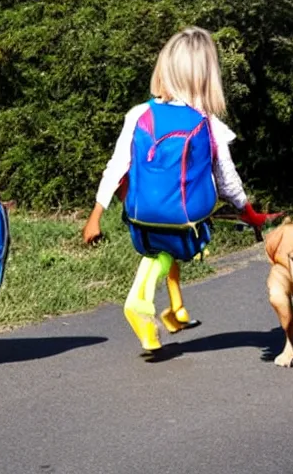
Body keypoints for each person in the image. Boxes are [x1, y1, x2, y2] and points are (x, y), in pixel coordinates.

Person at [82, 26, 281, 352]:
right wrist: (250, 213)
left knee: (157, 249)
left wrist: (96, 216)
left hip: (139, 216)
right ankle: (141, 299)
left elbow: (117, 166)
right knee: (184, 244)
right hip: (189, 220)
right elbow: (228, 179)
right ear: (206, 77)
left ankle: (156, 310)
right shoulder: (207, 122)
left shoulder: (139, 114)